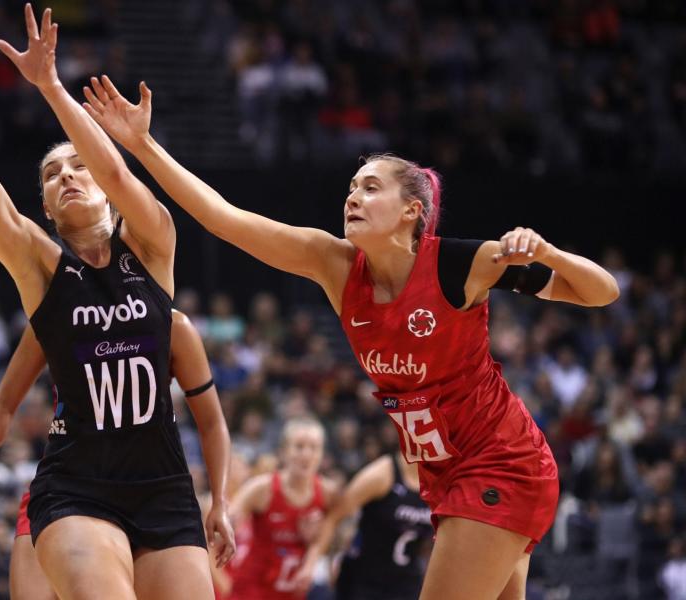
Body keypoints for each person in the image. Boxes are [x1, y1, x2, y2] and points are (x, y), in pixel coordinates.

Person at [80, 74, 620, 599]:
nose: (352, 198)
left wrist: (546, 253)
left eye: (370, 187)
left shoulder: (462, 264)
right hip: (443, 474)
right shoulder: (335, 266)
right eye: (350, 189)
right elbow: (223, 218)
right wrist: (143, 145)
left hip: (501, 463)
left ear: (413, 211)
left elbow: (602, 292)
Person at [0, 4, 225, 598]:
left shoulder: (153, 243)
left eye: (77, 166)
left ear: (106, 195)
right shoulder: (42, 268)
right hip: (77, 485)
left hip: (164, 488)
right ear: (46, 208)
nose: (66, 176)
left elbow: (119, 174)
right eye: (51, 174)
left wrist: (52, 87)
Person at [0, 311, 234, 599]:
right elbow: (2, 404)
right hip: (72, 491)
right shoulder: (54, 314)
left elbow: (212, 422)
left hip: (157, 494)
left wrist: (220, 501)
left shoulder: (171, 325)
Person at [291, 452, 433, 599]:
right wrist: (312, 564)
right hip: (364, 580)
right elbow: (334, 517)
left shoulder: (440, 481)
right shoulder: (381, 474)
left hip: (406, 583)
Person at [226, 417, 338, 599]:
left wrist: (311, 559)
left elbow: (330, 527)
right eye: (299, 446)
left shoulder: (328, 493)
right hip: (252, 588)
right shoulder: (262, 488)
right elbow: (226, 524)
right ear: (284, 452)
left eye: (314, 448)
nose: (307, 454)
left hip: (292, 591)